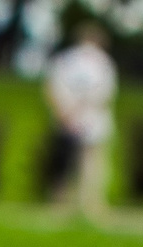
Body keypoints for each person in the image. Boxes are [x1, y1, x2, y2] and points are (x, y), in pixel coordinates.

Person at [44, 23, 115, 218]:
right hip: (90, 119)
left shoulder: (64, 60)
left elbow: (51, 86)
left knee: (66, 162)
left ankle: (62, 202)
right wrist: (77, 109)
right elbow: (104, 93)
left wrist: (66, 111)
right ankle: (90, 203)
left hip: (68, 117)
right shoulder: (102, 62)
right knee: (89, 162)